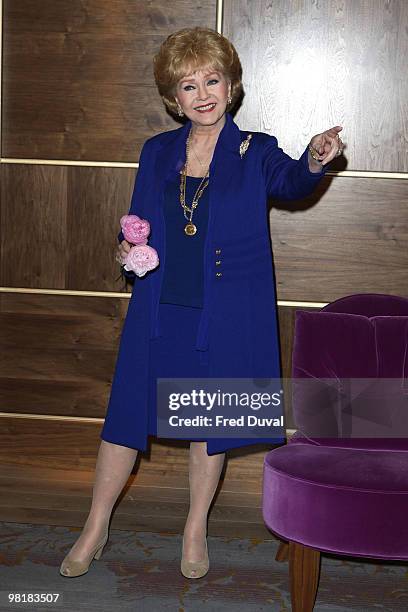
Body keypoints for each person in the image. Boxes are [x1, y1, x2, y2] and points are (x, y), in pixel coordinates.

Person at [60, 26, 343, 580]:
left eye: (211, 80)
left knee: (205, 418)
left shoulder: (255, 150)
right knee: (125, 419)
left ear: (231, 85)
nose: (203, 93)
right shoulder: (156, 151)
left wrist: (314, 156)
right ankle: (94, 526)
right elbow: (137, 224)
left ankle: (195, 529)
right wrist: (127, 248)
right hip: (160, 305)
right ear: (173, 99)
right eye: (188, 85)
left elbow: (291, 183)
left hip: (225, 310)